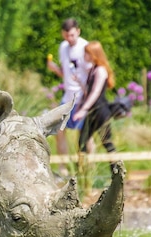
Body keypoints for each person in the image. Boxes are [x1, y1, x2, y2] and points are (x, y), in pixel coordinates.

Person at [47, 18, 93, 174]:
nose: (70, 38)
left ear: (78, 32)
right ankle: (63, 169)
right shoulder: (63, 47)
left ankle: (87, 169)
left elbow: (92, 74)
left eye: (72, 35)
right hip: (67, 97)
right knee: (59, 131)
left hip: (82, 97)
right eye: (67, 35)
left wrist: (89, 97)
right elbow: (66, 73)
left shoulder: (85, 47)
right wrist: (54, 69)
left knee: (86, 134)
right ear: (63, 34)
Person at [72, 41, 117, 171]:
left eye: (87, 52)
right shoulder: (92, 69)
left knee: (107, 142)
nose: (85, 55)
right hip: (92, 111)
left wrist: (83, 109)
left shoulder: (101, 70)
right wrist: (79, 82)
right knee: (83, 140)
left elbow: (96, 92)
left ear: (93, 54)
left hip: (101, 111)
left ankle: (116, 170)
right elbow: (89, 92)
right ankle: (82, 171)